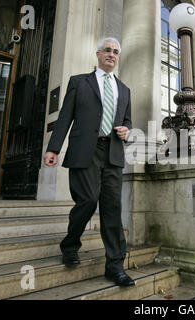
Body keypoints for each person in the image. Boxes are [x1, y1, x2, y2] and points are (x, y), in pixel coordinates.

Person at [43, 37, 134, 287]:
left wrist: (127, 130)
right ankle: (70, 245)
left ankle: (115, 266)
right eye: (107, 50)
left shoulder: (124, 89)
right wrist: (53, 148)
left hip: (113, 153)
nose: (112, 55)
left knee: (112, 209)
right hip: (86, 150)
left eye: (116, 52)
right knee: (87, 200)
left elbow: (128, 121)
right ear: (98, 54)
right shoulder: (79, 82)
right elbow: (65, 118)